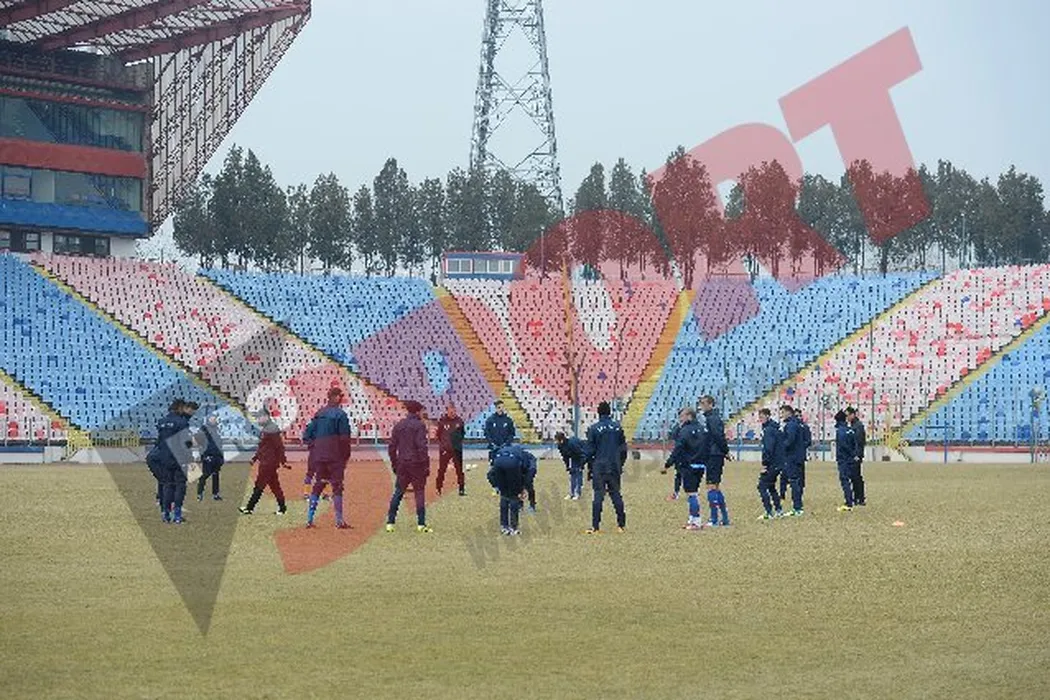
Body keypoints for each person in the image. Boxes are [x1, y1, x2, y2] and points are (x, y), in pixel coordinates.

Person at [305, 387, 352, 529]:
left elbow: (307, 434)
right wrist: (345, 456)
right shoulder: (340, 415)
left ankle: (310, 519)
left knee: (318, 485)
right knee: (337, 487)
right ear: (336, 397)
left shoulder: (319, 413)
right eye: (340, 396)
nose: (341, 399)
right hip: (335, 457)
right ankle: (339, 521)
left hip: (320, 456)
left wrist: (315, 448)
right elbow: (344, 439)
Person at [386, 400, 433, 533]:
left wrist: (394, 463)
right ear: (417, 411)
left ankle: (390, 522)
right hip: (416, 463)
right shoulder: (419, 426)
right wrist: (426, 464)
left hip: (402, 463)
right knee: (419, 492)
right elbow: (422, 447)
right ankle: (421, 523)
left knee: (398, 492)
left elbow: (392, 447)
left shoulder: (399, 425)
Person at [147, 399, 196, 524]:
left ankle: (165, 513)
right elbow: (185, 443)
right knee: (180, 485)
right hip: (179, 457)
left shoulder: (161, 422)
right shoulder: (182, 422)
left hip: (165, 457)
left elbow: (160, 441)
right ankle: (177, 515)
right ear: (180, 408)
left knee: (167, 484)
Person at [583, 401, 627, 534]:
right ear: (609, 412)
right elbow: (623, 449)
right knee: (615, 494)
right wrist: (620, 464)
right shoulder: (618, 428)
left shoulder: (593, 429)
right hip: (614, 466)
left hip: (599, 467)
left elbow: (589, 451)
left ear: (598, 413)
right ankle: (621, 525)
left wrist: (589, 467)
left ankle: (595, 527)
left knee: (598, 495)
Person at [662, 407, 709, 530]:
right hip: (700, 464)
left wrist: (668, 464)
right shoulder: (703, 429)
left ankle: (696, 521)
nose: (680, 418)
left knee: (691, 493)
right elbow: (708, 446)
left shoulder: (685, 430)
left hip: (689, 465)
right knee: (693, 492)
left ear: (689, 416)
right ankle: (692, 519)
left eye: (682, 416)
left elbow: (678, 449)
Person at [239, 408, 290, 516]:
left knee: (259, 485)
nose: (258, 420)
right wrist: (255, 458)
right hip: (267, 462)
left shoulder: (272, 429)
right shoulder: (267, 429)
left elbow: (279, 447)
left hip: (268, 463)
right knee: (274, 486)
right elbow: (262, 447)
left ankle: (249, 508)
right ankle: (282, 508)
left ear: (266, 417)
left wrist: (283, 461)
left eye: (259, 417)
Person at [699, 395, 731, 527]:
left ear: (711, 404)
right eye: (701, 403)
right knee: (715, 486)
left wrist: (725, 450)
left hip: (714, 455)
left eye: (704, 403)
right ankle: (724, 518)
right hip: (715, 454)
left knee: (711, 485)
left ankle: (714, 519)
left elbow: (718, 436)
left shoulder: (712, 419)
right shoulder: (711, 418)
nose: (701, 406)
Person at [487, 444, 532, 535]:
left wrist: (496, 486)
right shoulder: (526, 456)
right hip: (512, 465)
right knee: (514, 497)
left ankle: (504, 526)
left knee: (504, 496)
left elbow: (489, 474)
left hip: (498, 463)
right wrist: (522, 489)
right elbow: (525, 473)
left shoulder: (502, 450)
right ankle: (514, 527)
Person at [756, 408, 785, 520]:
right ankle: (778, 510)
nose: (760, 419)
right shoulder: (775, 428)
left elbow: (768, 448)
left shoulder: (768, 430)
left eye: (762, 417)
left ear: (767, 416)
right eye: (759, 417)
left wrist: (765, 464)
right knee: (771, 486)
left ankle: (769, 511)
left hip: (773, 463)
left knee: (762, 486)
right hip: (779, 462)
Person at [778, 404, 805, 516]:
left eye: (783, 412)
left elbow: (790, 440)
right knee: (796, 481)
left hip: (792, 457)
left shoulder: (791, 425)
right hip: (797, 456)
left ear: (788, 412)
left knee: (794, 481)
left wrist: (780, 448)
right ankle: (798, 507)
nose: (781, 415)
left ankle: (797, 508)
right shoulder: (795, 423)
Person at [436, 404, 466, 496]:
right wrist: (444, 445)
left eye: (454, 411)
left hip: (456, 449)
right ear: (447, 411)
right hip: (445, 450)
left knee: (459, 470)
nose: (453, 413)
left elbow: (462, 434)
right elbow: (439, 435)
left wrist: (457, 443)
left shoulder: (459, 421)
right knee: (442, 469)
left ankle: (461, 489)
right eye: (451, 412)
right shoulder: (442, 421)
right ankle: (438, 488)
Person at [834, 410, 860, 511]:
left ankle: (848, 502)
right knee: (850, 479)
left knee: (844, 480)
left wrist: (851, 454)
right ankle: (852, 499)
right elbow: (855, 443)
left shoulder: (840, 431)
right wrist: (855, 454)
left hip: (843, 459)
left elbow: (843, 445)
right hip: (850, 459)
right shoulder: (850, 430)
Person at [195, 414, 224, 502]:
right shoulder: (203, 429)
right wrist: (203, 456)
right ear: (208, 420)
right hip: (208, 456)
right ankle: (199, 493)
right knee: (205, 475)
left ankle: (215, 494)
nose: (214, 420)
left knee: (216, 475)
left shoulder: (217, 429)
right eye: (212, 419)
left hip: (217, 456)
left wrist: (221, 456)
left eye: (215, 419)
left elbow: (219, 444)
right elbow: (200, 443)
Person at [555, 431, 588, 500]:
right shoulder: (560, 446)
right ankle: (571, 493)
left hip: (580, 456)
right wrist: (567, 466)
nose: (556, 442)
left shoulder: (572, 444)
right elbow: (565, 457)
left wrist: (581, 465)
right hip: (573, 457)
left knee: (578, 474)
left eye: (557, 440)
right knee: (572, 474)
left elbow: (582, 454)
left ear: (561, 440)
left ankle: (577, 493)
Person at [845, 407, 867, 506]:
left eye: (848, 415)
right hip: (853, 455)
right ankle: (857, 497)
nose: (847, 417)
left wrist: (857, 455)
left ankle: (860, 498)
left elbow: (859, 442)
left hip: (856, 455)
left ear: (853, 414)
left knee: (856, 476)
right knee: (854, 476)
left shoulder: (858, 426)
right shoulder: (854, 425)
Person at [666, 421, 683, 501]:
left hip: (686, 454)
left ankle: (693, 492)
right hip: (680, 455)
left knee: (686, 474)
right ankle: (676, 492)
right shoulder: (677, 426)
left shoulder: (689, 427)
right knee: (679, 474)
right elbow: (672, 436)